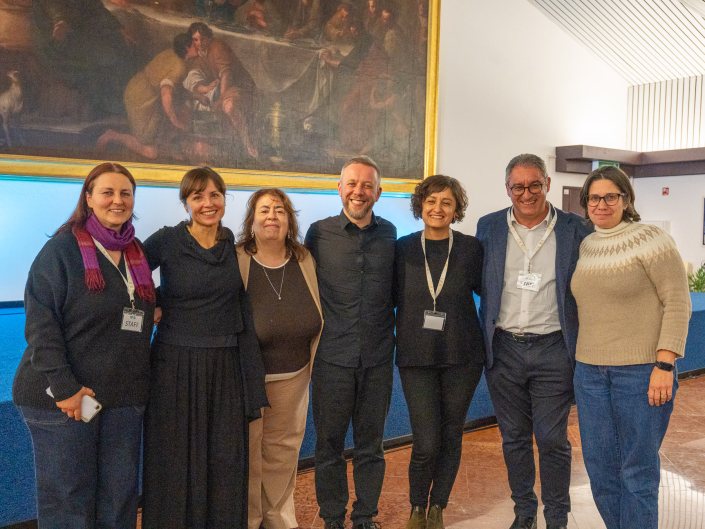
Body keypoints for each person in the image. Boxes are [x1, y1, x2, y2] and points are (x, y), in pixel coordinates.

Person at [12, 162, 156, 528]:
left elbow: (131, 308)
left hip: (120, 397)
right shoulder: (61, 250)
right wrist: (65, 389)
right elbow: (41, 325)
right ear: (88, 198)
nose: (117, 200)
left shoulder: (136, 253)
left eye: (125, 193)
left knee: (119, 498)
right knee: (69, 501)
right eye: (107, 192)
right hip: (66, 397)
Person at [141, 167, 268, 528]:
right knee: (174, 457)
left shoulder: (234, 246)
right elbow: (128, 277)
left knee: (224, 459)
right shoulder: (166, 240)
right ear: (186, 203)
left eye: (215, 195)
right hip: (175, 366)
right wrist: (154, 304)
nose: (208, 203)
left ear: (224, 199)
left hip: (226, 366)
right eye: (198, 197)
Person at [571, 166, 691, 529]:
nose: (601, 204)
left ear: (626, 199)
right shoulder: (586, 245)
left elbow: (677, 302)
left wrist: (665, 365)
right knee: (600, 471)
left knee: (637, 473)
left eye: (611, 196)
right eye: (594, 198)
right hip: (589, 374)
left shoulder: (652, 239)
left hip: (641, 373)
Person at [475, 153, 591, 529]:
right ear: (507, 188)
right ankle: (524, 511)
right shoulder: (489, 226)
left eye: (534, 185)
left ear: (547, 184)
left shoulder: (576, 228)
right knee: (514, 438)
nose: (526, 194)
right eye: (518, 187)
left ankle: (556, 517)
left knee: (552, 439)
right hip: (504, 349)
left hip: (554, 349)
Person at [305, 155, 396, 529]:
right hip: (332, 357)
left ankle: (365, 516)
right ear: (339, 188)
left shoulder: (391, 235)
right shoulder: (318, 233)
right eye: (352, 184)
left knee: (371, 446)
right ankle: (332, 517)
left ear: (378, 192)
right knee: (328, 445)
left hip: (377, 358)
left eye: (367, 185)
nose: (359, 192)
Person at [394, 175, 485, 529]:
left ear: (456, 209)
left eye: (446, 202)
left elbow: (491, 291)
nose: (438, 208)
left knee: (451, 435)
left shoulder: (471, 248)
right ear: (420, 205)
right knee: (426, 441)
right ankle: (417, 506)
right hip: (416, 357)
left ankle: (437, 508)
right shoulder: (401, 249)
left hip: (463, 356)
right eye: (431, 201)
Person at [236, 188, 323, 529]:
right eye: (264, 210)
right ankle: (248, 520)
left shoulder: (304, 259)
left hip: (295, 376)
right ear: (252, 221)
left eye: (279, 210)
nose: (272, 216)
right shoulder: (236, 258)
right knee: (247, 453)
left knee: (283, 454)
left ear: (289, 221)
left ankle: (278, 519)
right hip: (247, 379)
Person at [96, 34, 196, 160]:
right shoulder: (179, 67)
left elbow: (173, 87)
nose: (198, 46)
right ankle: (112, 136)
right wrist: (175, 120)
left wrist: (195, 95)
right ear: (187, 47)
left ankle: (168, 146)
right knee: (151, 152)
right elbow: (166, 94)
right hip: (141, 97)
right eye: (194, 44)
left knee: (159, 132)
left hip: (144, 89)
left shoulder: (173, 53)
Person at [187, 22, 258, 157]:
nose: (199, 43)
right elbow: (196, 76)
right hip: (224, 87)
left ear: (208, 37)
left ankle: (248, 143)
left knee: (228, 107)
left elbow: (226, 74)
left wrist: (221, 98)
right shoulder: (199, 54)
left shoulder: (217, 47)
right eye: (196, 40)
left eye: (202, 39)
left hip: (240, 86)